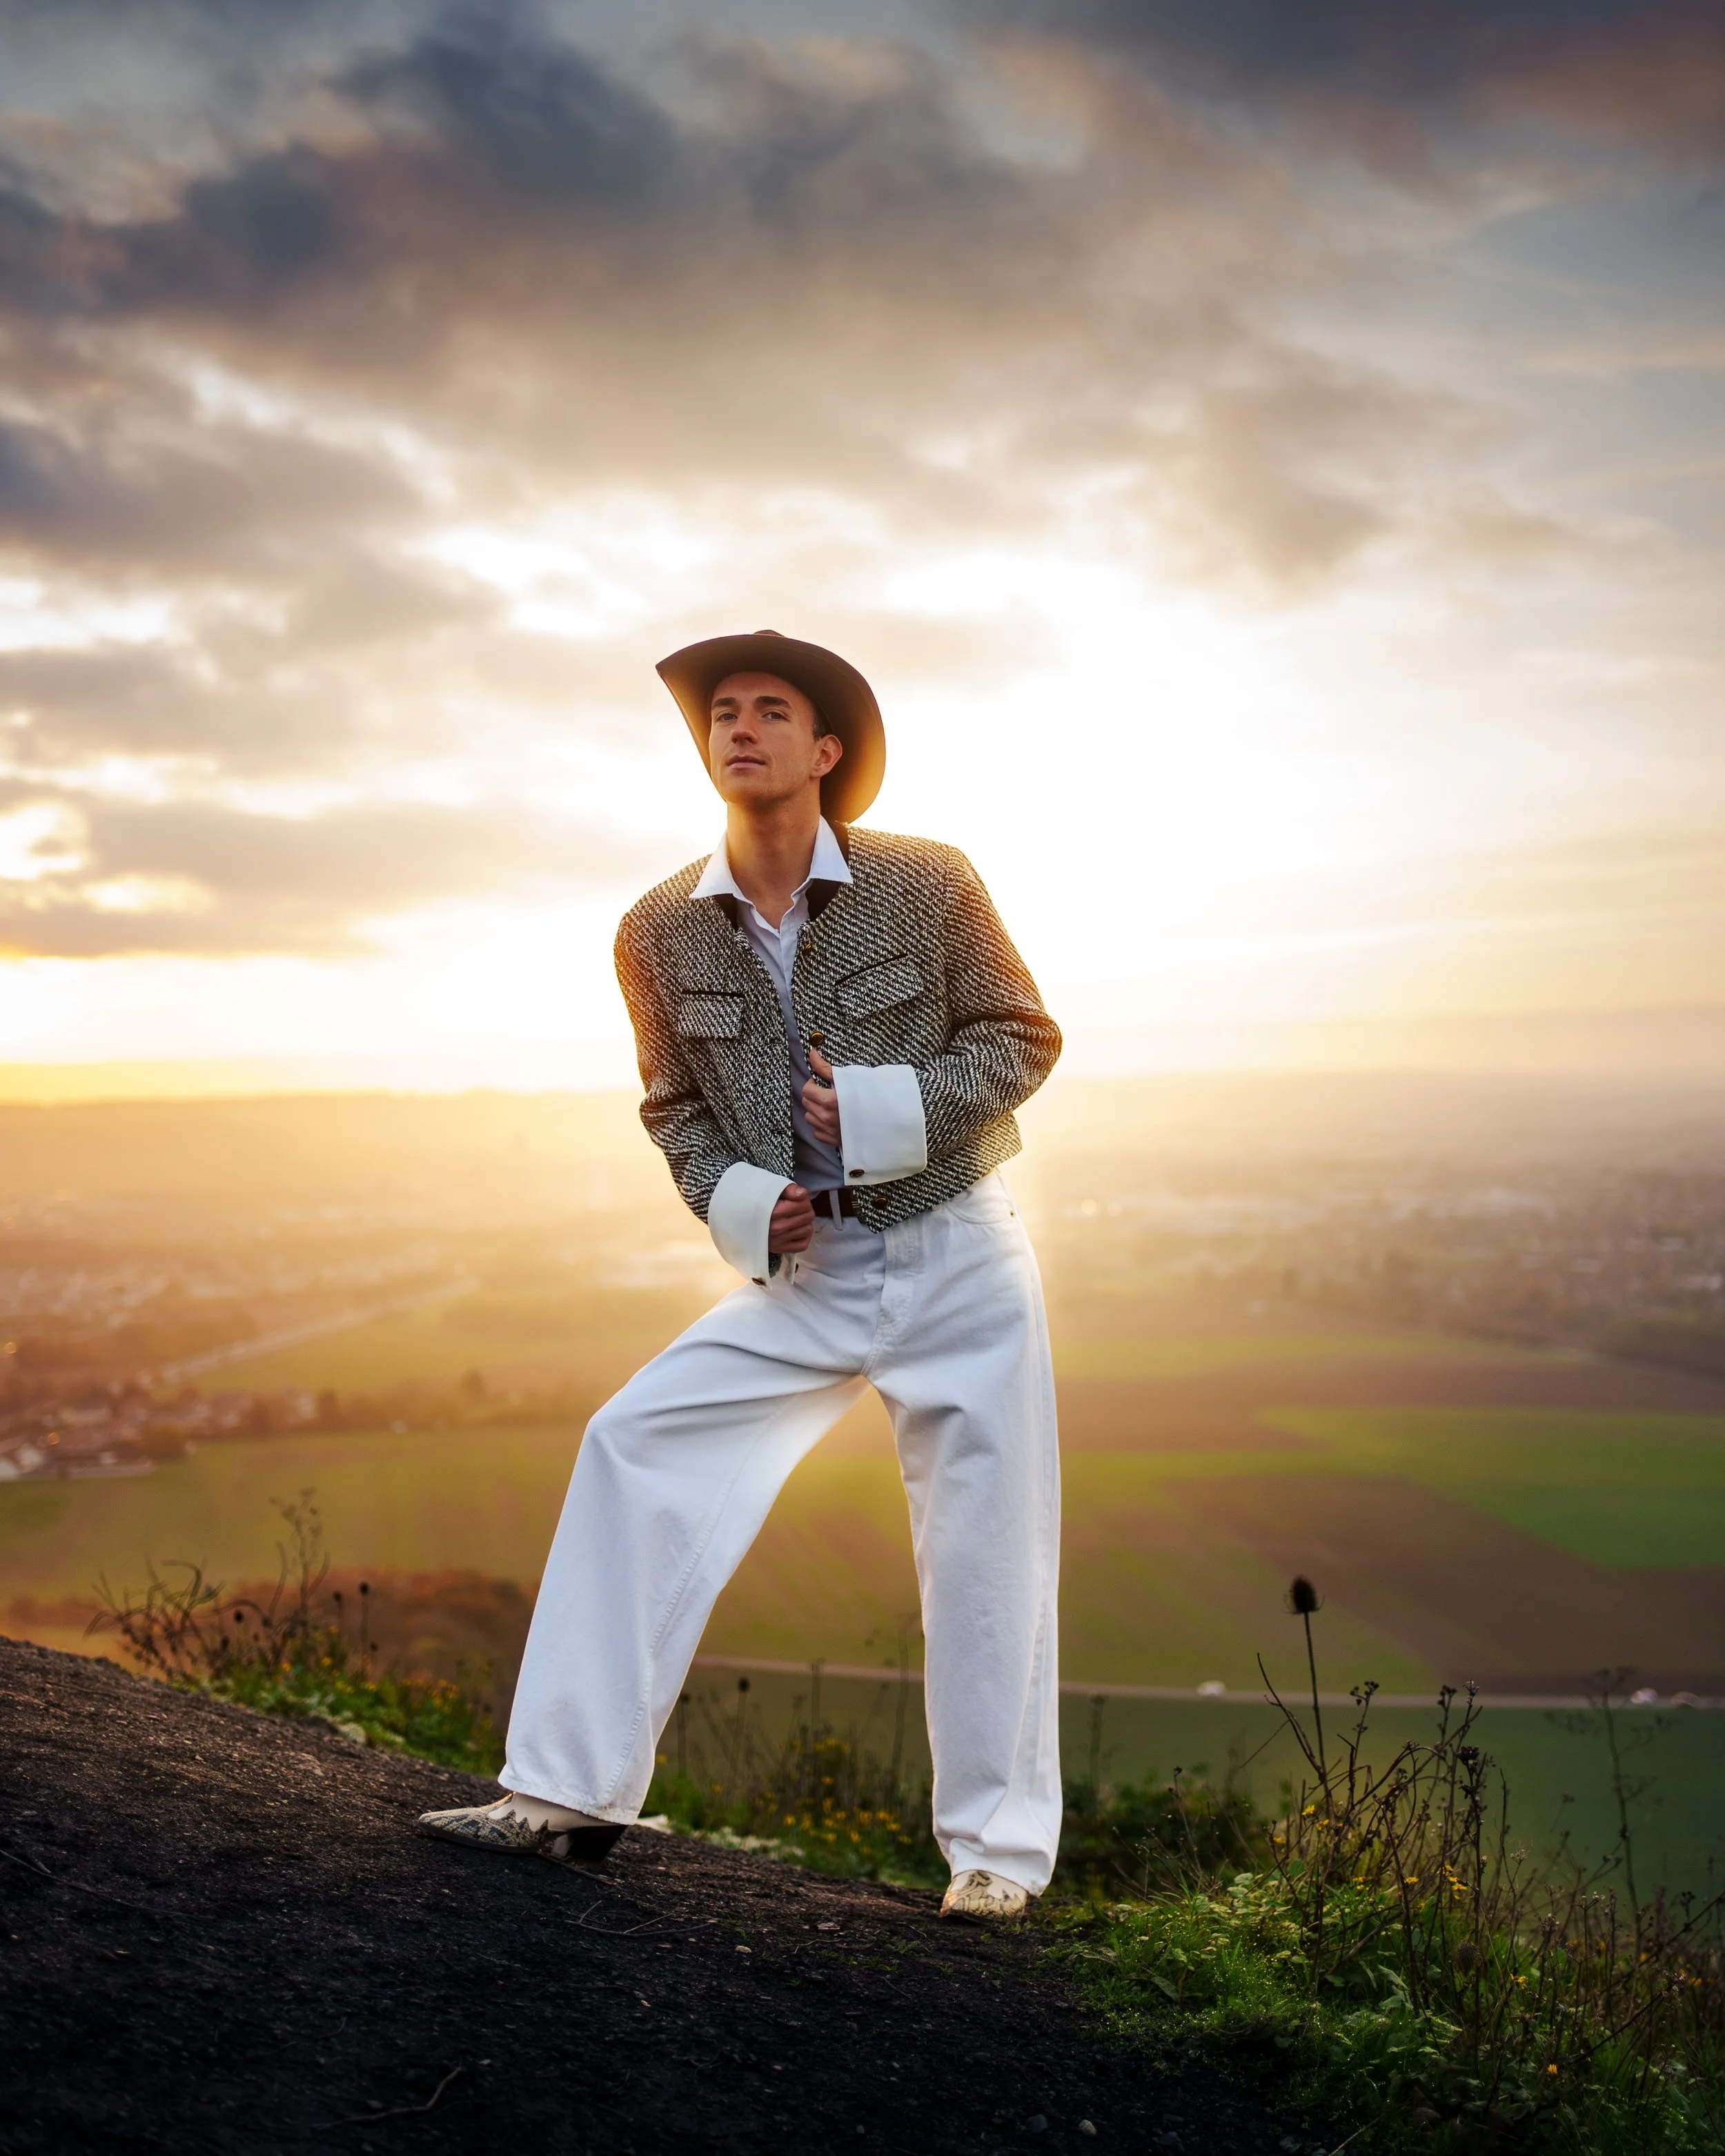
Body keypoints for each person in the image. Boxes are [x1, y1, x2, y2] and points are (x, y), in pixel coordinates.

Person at [420, 631, 1063, 1919]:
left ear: (825, 751)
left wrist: (879, 1110)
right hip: (805, 1272)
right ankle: (562, 1794)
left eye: (771, 710)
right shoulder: (654, 929)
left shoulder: (930, 880)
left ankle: (996, 1862)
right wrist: (739, 1202)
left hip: (959, 1252)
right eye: (723, 711)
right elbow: (674, 1109)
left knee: (986, 1542)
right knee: (633, 1441)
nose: (741, 727)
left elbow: (1022, 1038)